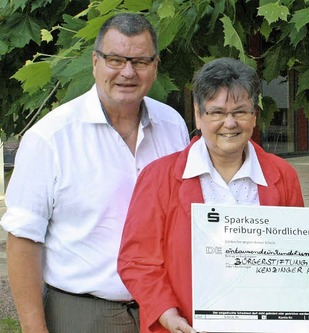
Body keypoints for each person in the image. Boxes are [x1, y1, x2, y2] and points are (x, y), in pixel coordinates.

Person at [0, 13, 190, 333]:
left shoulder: (173, 127)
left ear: (156, 65)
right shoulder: (50, 138)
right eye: (115, 59)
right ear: (95, 61)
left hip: (163, 312)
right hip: (81, 313)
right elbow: (22, 240)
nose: (127, 72)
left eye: (140, 61)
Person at [117, 57, 305, 333]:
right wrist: (166, 313)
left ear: (254, 115)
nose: (230, 123)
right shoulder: (159, 177)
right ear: (198, 113)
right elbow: (137, 261)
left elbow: (298, 255)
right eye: (217, 112)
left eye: (240, 112)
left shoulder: (283, 176)